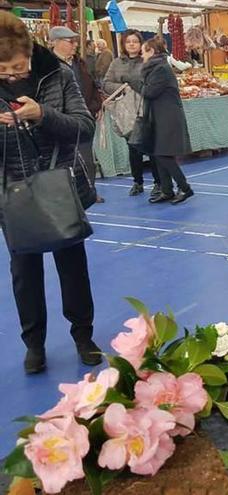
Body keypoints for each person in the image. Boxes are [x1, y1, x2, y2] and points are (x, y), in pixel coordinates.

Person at [0, 12, 101, 373]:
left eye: (17, 67)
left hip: (60, 187)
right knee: (24, 273)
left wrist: (42, 113)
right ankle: (34, 345)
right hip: (12, 194)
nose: (12, 76)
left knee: (73, 267)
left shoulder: (58, 75)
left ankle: (83, 335)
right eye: (4, 72)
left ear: (29, 53)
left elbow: (84, 127)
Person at [49, 26, 104, 204]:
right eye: (70, 41)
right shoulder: (47, 66)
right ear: (55, 43)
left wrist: (96, 106)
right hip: (60, 120)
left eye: (75, 41)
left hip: (83, 118)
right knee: (63, 161)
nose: (74, 45)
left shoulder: (80, 63)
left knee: (87, 159)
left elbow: (93, 85)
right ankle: (66, 196)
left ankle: (89, 192)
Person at [104, 29, 162, 198]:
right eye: (128, 41)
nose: (131, 44)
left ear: (140, 43)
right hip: (125, 111)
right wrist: (122, 89)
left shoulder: (147, 61)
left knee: (151, 147)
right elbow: (106, 83)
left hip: (146, 107)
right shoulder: (116, 63)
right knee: (133, 147)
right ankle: (138, 182)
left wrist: (139, 87)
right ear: (123, 44)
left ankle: (158, 182)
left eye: (135, 41)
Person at [139, 38, 193, 204]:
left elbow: (149, 92)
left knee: (163, 155)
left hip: (168, 117)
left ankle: (185, 188)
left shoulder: (161, 69)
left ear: (151, 51)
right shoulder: (158, 67)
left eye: (143, 52)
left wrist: (133, 81)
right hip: (161, 116)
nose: (142, 56)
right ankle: (167, 190)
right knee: (158, 153)